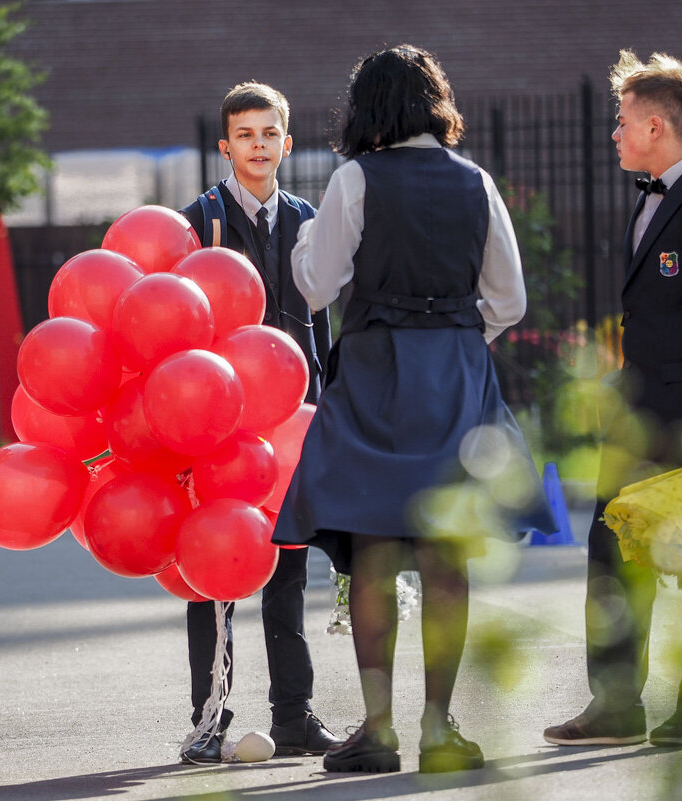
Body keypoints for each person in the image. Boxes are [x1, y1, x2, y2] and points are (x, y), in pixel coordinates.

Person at [273, 45, 552, 774]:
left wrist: (307, 241)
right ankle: (439, 726)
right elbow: (509, 301)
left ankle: (377, 729)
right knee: (446, 551)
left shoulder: (355, 179)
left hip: (374, 372)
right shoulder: (477, 181)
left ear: (370, 106)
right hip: (455, 369)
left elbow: (317, 283)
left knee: (373, 550)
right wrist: (457, 337)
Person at [543, 50, 682, 749]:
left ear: (658, 126)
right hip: (636, 419)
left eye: (623, 121)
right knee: (610, 556)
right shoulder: (647, 199)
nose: (614, 133)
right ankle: (614, 704)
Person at [176, 81, 340, 764]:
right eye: (246, 134)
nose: (259, 145)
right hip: (220, 424)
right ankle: (210, 713)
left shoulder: (306, 216)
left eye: (270, 133)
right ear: (225, 146)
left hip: (291, 424)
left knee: (289, 571)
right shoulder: (201, 219)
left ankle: (294, 713)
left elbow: (320, 317)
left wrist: (329, 401)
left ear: (288, 142)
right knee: (214, 572)